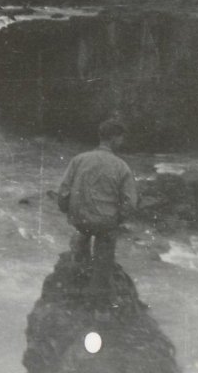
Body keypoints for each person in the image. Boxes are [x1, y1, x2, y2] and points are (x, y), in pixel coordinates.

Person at [57, 119, 138, 301]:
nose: (122, 142)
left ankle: (77, 276)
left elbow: (63, 192)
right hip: (105, 223)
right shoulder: (121, 166)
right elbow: (130, 202)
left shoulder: (78, 160)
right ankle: (98, 298)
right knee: (104, 249)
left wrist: (68, 210)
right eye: (121, 138)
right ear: (115, 138)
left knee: (82, 233)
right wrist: (119, 219)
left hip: (80, 219)